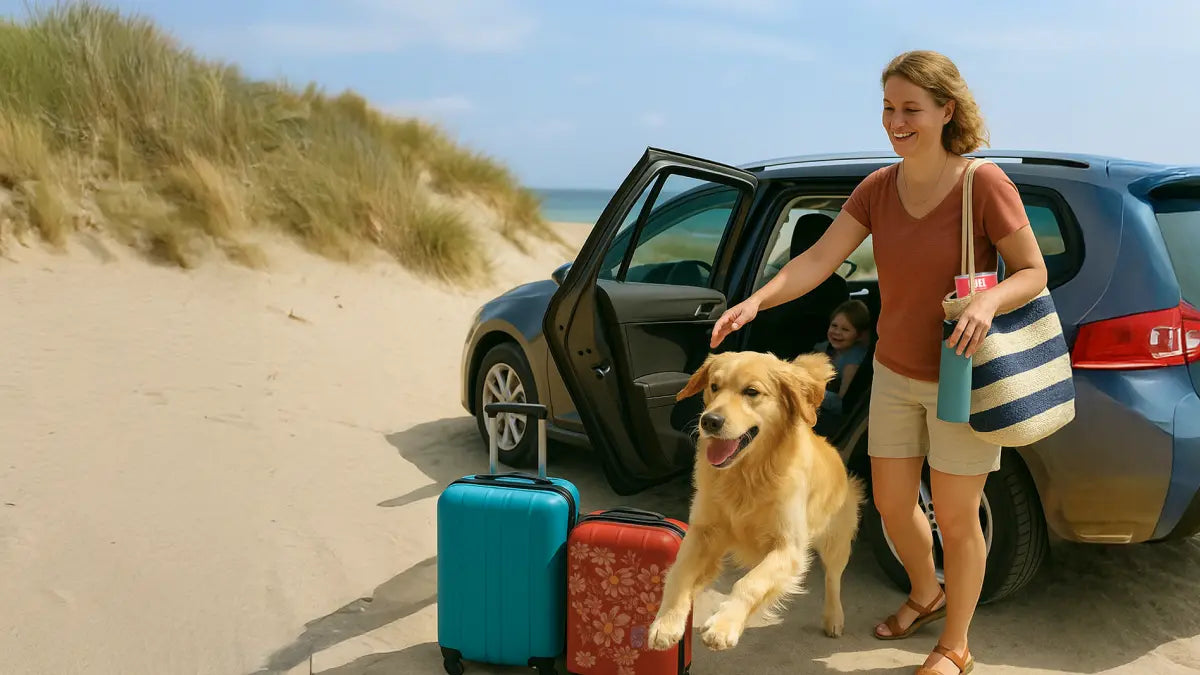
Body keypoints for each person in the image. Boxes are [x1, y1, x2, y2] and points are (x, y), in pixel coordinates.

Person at [708, 50, 1047, 675]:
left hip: (960, 375)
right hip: (893, 373)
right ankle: (926, 592)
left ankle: (956, 645)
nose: (896, 121)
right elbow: (816, 261)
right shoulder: (878, 188)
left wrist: (987, 302)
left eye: (911, 109)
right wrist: (755, 301)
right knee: (891, 505)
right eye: (888, 108)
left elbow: (1032, 271)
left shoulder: (983, 184)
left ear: (946, 110)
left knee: (957, 518)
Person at [814, 299, 871, 416]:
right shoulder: (825, 347)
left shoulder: (853, 361)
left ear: (859, 335)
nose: (837, 332)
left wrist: (811, 391)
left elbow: (842, 404)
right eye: (834, 325)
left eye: (845, 329)